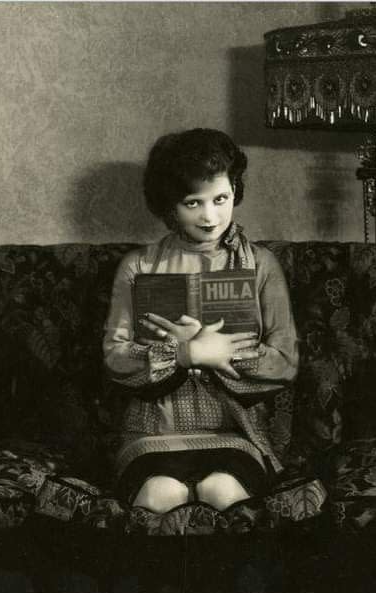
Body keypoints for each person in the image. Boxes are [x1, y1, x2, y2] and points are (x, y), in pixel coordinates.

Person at [102, 128, 299, 514]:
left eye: (221, 199)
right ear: (169, 205)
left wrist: (219, 354)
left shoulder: (261, 265)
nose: (210, 216)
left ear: (235, 192)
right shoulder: (138, 266)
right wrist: (183, 354)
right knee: (160, 495)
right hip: (153, 434)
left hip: (234, 433)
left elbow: (285, 361)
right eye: (193, 203)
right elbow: (114, 357)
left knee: (223, 491)